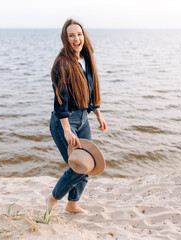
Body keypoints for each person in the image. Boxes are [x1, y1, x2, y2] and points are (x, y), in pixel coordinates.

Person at [46, 18, 107, 214]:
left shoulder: (86, 58)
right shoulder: (62, 64)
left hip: (82, 119)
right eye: (71, 35)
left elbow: (90, 89)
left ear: (83, 36)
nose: (76, 39)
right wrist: (66, 129)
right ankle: (53, 198)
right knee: (78, 166)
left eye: (79, 34)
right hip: (65, 121)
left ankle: (72, 204)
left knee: (88, 165)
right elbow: (60, 101)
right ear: (66, 39)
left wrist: (97, 113)